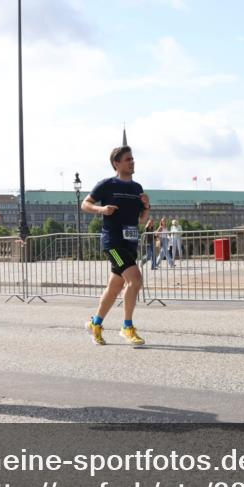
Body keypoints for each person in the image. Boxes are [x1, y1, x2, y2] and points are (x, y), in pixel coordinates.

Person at [82, 145, 149, 347]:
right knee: (135, 281)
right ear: (116, 163)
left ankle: (96, 323)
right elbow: (85, 204)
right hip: (113, 242)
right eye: (128, 159)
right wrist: (102, 209)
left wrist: (146, 206)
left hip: (130, 242)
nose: (132, 162)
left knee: (115, 287)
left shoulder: (137, 188)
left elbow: (142, 219)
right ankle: (127, 327)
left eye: (132, 158)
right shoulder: (107, 184)